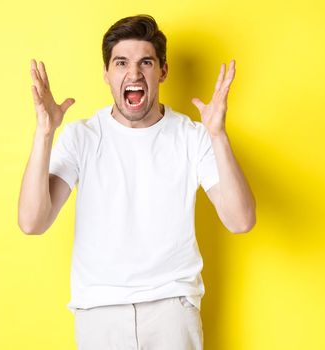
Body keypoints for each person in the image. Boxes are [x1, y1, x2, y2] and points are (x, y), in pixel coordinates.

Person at [17, 14, 256, 349]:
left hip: (172, 309)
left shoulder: (192, 136)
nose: (134, 74)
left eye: (146, 61)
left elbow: (241, 220)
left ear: (163, 71)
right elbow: (32, 221)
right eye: (121, 63)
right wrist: (44, 133)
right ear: (106, 73)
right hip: (99, 312)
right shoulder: (81, 137)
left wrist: (217, 134)